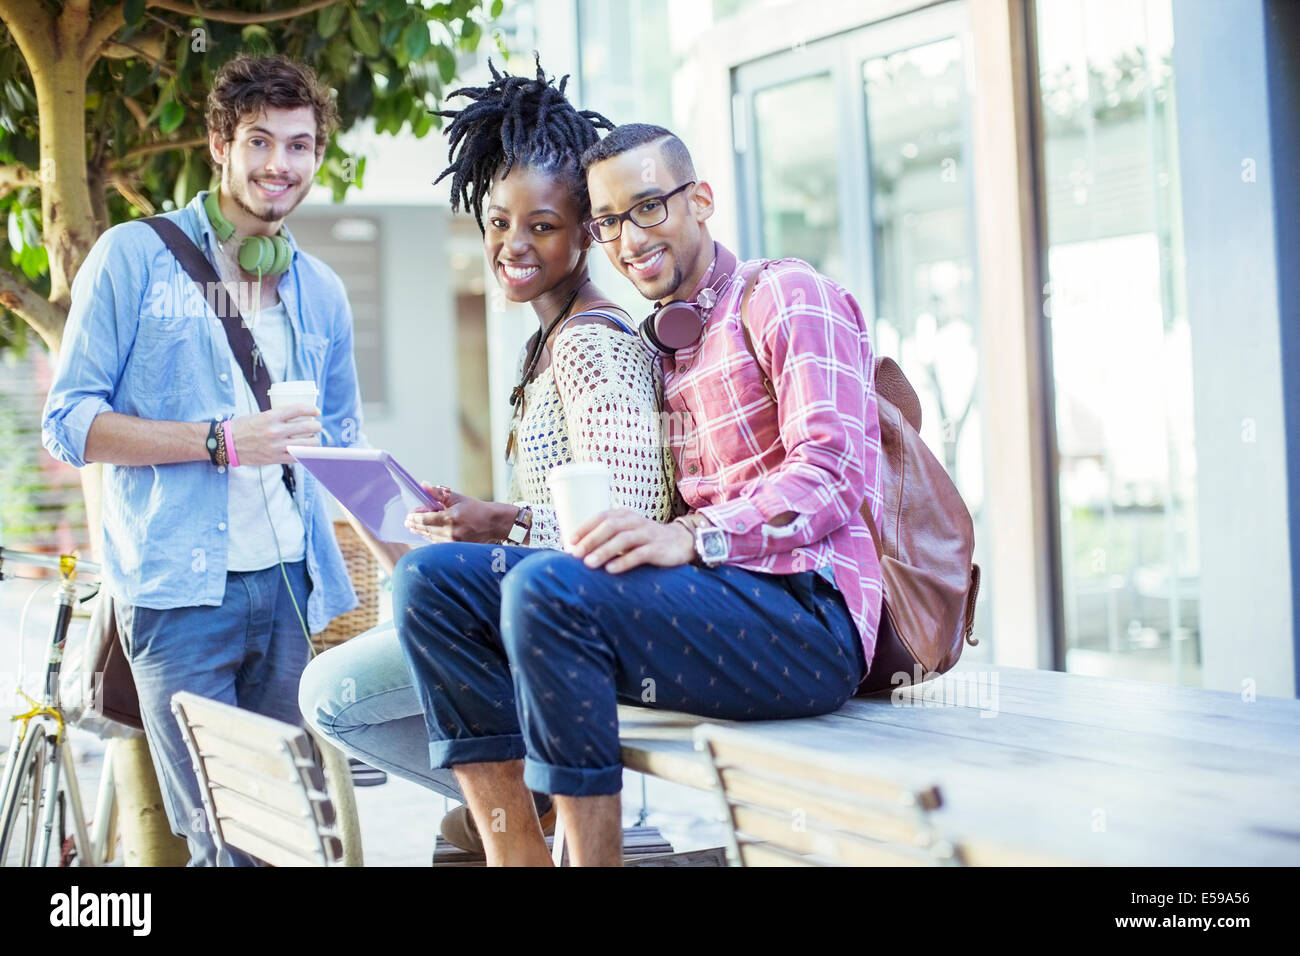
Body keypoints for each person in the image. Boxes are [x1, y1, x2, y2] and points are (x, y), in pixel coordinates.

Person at [392, 120, 886, 866]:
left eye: (648, 207)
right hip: (712, 599)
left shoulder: (785, 292)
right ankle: (516, 855)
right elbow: (639, 517)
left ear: (703, 200)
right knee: (430, 583)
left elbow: (835, 471)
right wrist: (501, 521)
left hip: (810, 616)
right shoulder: (670, 341)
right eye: (610, 221)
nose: (628, 239)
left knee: (548, 594)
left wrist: (695, 537)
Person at [298, 59, 675, 855]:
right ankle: (517, 811)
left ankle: (522, 815)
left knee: (330, 692)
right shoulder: (543, 346)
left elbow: (624, 522)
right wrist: (467, 525)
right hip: (531, 615)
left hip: (577, 631)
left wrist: (501, 523)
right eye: (498, 221)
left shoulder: (592, 349)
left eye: (541, 225)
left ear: (588, 232)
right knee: (377, 646)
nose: (512, 243)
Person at [42, 55, 365, 866]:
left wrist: (410, 539)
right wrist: (219, 440)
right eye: (260, 141)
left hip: (291, 588)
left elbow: (345, 441)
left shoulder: (319, 289)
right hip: (178, 599)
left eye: (299, 145)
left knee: (283, 833)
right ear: (221, 143)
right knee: (225, 840)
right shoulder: (131, 259)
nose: (279, 165)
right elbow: (69, 423)